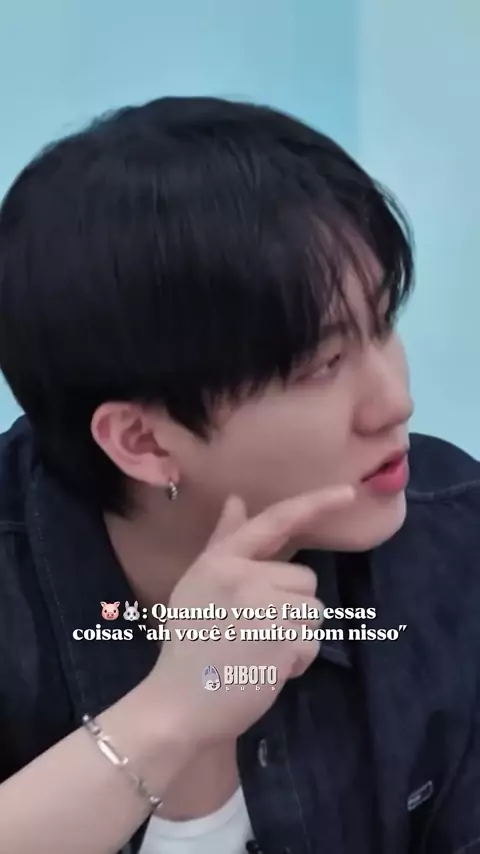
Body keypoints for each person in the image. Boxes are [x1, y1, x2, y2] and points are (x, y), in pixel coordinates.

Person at [0, 96, 478, 854]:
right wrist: (169, 713)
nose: (395, 403)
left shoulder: (455, 540)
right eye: (325, 364)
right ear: (143, 442)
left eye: (385, 324)